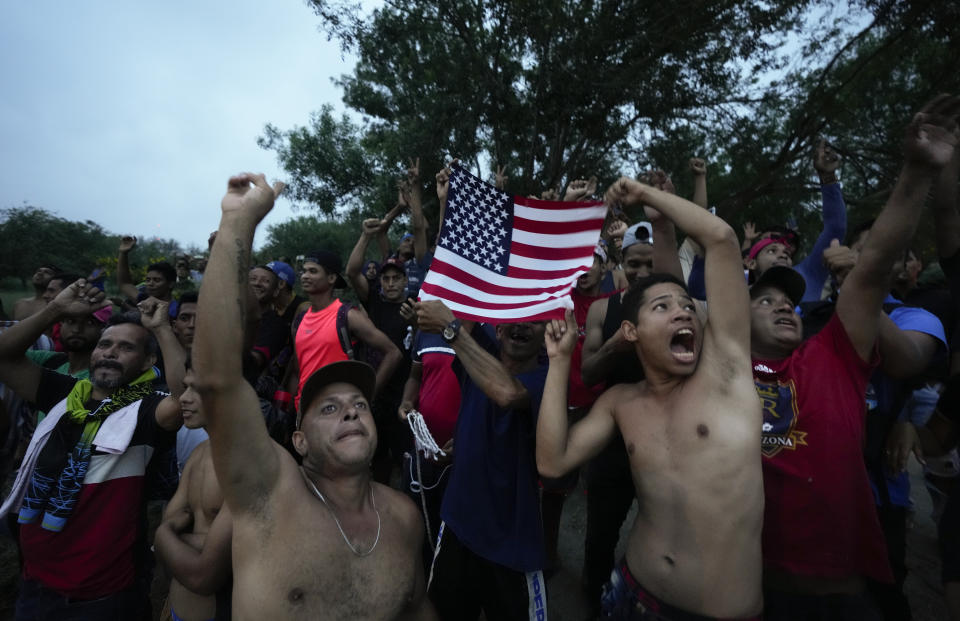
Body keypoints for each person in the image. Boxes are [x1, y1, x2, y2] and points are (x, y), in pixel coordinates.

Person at [750, 95, 960, 619]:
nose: (783, 307)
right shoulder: (721, 365)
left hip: (838, 596)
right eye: (766, 301)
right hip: (749, 587)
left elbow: (870, 272)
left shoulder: (832, 354)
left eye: (790, 302)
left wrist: (915, 173)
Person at [193, 172, 434, 619]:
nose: (351, 412)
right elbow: (217, 382)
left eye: (359, 405)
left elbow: (418, 608)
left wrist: (376, 392)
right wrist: (236, 226)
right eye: (331, 407)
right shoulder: (268, 497)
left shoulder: (404, 517)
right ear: (298, 440)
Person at [538, 177, 764, 618]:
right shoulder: (620, 402)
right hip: (631, 594)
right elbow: (552, 463)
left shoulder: (727, 377)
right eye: (662, 307)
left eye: (685, 305)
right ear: (631, 331)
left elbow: (721, 239)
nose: (682, 310)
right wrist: (559, 361)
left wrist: (646, 196)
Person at [0, 284, 185, 620]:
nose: (111, 352)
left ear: (148, 361)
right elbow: (4, 356)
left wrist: (161, 328)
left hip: (102, 594)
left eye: (126, 347)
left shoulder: (145, 412)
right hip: (36, 580)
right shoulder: (62, 392)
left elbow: (185, 395)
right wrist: (55, 308)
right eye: (105, 344)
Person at [415, 300, 550, 621]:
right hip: (458, 525)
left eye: (535, 320)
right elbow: (468, 318)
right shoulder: (477, 357)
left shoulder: (547, 381)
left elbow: (506, 392)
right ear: (498, 328)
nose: (522, 325)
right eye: (514, 317)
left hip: (510, 544)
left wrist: (450, 329)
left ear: (547, 334)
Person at [154, 366, 233, 621]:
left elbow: (232, 554)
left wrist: (165, 535)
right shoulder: (199, 454)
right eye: (185, 387)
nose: (184, 398)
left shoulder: (246, 463)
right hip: (180, 606)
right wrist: (203, 542)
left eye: (195, 389)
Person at [288, 248, 401, 414]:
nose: (305, 276)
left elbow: (393, 353)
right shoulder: (299, 320)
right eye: (304, 271)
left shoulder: (347, 315)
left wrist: (368, 396)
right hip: (307, 414)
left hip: (341, 414)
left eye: (313, 271)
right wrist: (294, 409)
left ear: (332, 278)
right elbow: (298, 372)